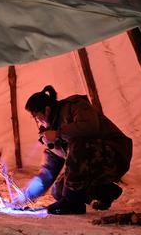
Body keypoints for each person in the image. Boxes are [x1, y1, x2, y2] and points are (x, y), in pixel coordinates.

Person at [14, 85, 132, 215]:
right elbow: (46, 174)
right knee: (58, 189)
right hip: (92, 165)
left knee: (77, 142)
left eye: (37, 117)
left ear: (47, 110)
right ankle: (105, 191)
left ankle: (73, 203)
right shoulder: (51, 135)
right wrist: (24, 197)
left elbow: (91, 127)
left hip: (115, 156)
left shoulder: (74, 106)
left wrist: (58, 133)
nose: (38, 122)